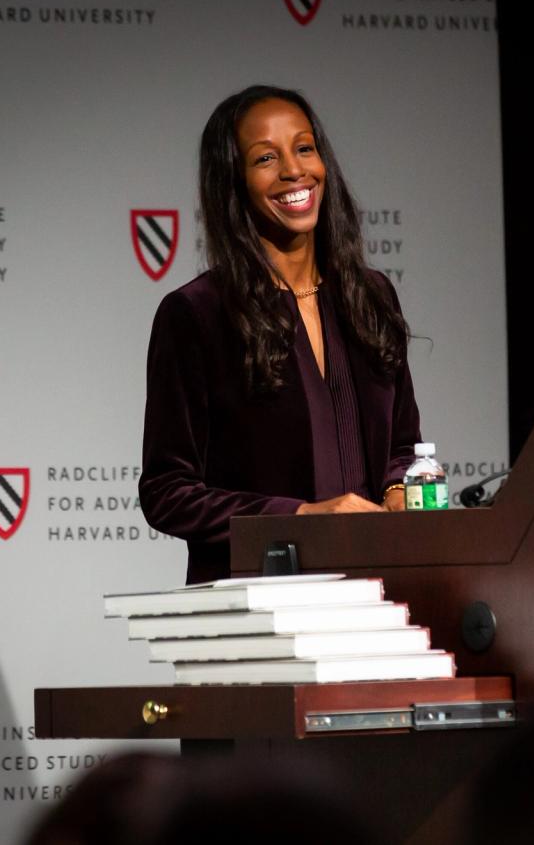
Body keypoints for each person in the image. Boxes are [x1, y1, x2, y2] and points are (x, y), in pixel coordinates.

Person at [140, 85, 421, 584]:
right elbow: (168, 492)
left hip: (375, 596)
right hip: (255, 608)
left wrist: (400, 490)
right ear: (235, 181)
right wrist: (300, 518)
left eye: (305, 148)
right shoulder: (196, 314)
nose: (294, 170)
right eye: (266, 157)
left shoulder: (371, 295)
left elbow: (403, 447)